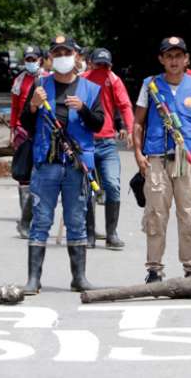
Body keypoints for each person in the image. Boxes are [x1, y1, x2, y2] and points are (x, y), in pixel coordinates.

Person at [19, 35, 104, 294]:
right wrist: (33, 106)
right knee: (41, 219)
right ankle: (34, 279)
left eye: (67, 52)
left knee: (76, 219)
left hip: (77, 165)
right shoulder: (40, 86)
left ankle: (79, 277)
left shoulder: (90, 90)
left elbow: (99, 124)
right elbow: (27, 124)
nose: (62, 57)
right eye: (57, 53)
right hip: (47, 163)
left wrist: (84, 109)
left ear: (77, 57)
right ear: (50, 58)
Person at [133, 36, 191, 283]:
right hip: (156, 157)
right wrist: (138, 153)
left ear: (187, 59)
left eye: (178, 55)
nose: (174, 60)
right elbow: (138, 121)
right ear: (161, 59)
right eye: (169, 56)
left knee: (189, 213)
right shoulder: (151, 85)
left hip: (187, 159)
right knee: (156, 214)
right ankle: (154, 269)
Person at [82, 47, 135, 250]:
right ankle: (89, 235)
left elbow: (125, 106)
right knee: (88, 189)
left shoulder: (113, 80)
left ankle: (111, 233)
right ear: (91, 63)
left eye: (105, 65)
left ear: (110, 65)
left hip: (107, 143)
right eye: (98, 64)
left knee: (112, 185)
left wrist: (130, 130)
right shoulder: (82, 80)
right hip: (85, 142)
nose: (102, 68)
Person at [10, 45, 44, 238]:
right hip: (23, 131)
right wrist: (13, 129)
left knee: (40, 173)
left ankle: (34, 216)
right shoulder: (20, 80)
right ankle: (25, 218)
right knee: (24, 174)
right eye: (28, 59)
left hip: (41, 130)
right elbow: (15, 107)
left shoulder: (46, 79)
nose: (31, 62)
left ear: (40, 59)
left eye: (34, 59)